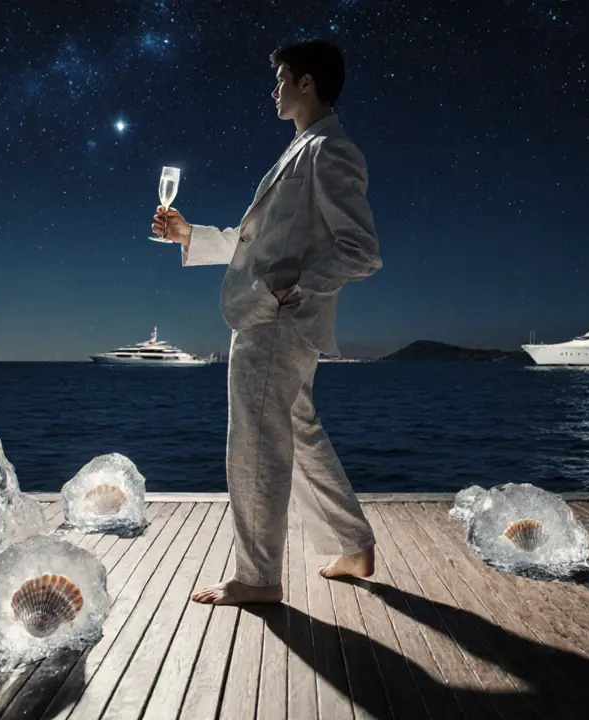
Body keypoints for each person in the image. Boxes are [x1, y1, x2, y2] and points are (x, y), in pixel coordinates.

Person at [151, 39, 382, 605]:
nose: (273, 87)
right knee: (297, 432)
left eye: (281, 77)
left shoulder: (330, 151)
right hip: (273, 317)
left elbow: (360, 250)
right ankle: (352, 544)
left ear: (307, 83)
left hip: (276, 322)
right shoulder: (301, 151)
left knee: (255, 445)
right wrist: (189, 236)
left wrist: (291, 291)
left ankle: (256, 578)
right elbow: (258, 248)